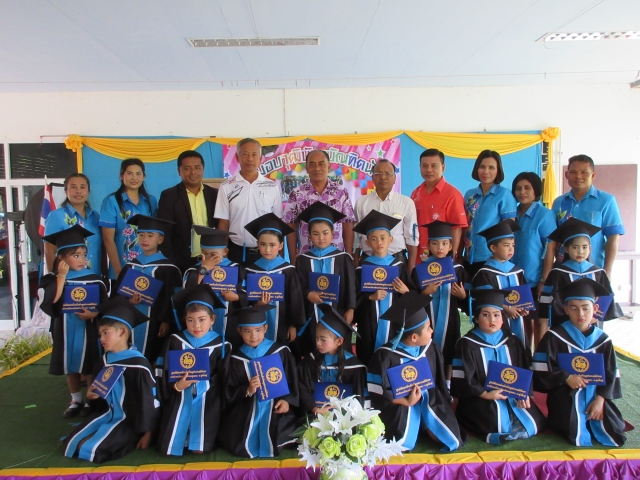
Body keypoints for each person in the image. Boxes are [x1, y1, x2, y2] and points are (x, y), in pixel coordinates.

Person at [64, 297, 159, 463]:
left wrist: (148, 433)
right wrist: (92, 397)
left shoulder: (139, 365)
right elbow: (101, 398)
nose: (101, 338)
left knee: (92, 448)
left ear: (122, 332)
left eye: (106, 333)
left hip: (130, 421)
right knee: (74, 443)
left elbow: (149, 402)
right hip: (107, 414)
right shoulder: (104, 361)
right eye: (100, 334)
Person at [532, 278, 627, 447]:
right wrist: (565, 377)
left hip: (596, 393)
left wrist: (600, 400)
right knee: (572, 425)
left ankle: (597, 407)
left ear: (595, 309)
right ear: (565, 309)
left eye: (585, 308)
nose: (580, 314)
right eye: (574, 308)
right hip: (564, 394)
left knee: (613, 428)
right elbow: (540, 369)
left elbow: (611, 373)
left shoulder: (603, 340)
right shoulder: (554, 337)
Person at [367, 293, 464, 452]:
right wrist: (406, 401)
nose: (432, 331)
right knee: (401, 443)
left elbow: (439, 381)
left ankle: (425, 423)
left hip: (429, 400)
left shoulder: (430, 348)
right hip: (400, 405)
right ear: (414, 337)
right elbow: (377, 392)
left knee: (446, 438)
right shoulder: (385, 356)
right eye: (428, 328)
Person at [451, 290, 545, 445]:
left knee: (534, 422)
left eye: (496, 315)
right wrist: (486, 394)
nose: (492, 320)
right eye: (485, 315)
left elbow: (523, 370)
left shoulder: (512, 341)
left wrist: (524, 393)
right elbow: (463, 379)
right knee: (495, 425)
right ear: (476, 318)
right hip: (480, 397)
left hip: (512, 395)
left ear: (503, 318)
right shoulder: (466, 344)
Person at [40, 225, 108, 417]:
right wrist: (61, 276)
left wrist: (94, 314)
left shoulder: (94, 279)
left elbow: (104, 304)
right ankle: (75, 399)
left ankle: (90, 399)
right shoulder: (53, 279)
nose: (82, 259)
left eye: (84, 255)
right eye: (76, 255)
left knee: (89, 364)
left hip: (88, 328)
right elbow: (52, 302)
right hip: (65, 328)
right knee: (70, 365)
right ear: (61, 258)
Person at [156, 285, 231, 456]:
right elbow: (163, 370)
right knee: (169, 450)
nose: (196, 325)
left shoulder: (222, 345)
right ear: (184, 319)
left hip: (208, 398)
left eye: (202, 319)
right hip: (178, 395)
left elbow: (224, 378)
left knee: (199, 450)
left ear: (212, 319)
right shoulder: (175, 340)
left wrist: (205, 384)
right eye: (190, 320)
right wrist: (177, 386)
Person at [219, 305, 299, 458]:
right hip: (248, 407)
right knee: (235, 435)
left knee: (283, 431)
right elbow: (229, 391)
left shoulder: (280, 352)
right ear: (239, 331)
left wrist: (287, 400)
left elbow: (292, 381)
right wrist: (247, 389)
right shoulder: (236, 359)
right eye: (247, 331)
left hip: (275, 406)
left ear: (265, 328)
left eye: (257, 330)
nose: (253, 336)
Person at [113, 215, 181, 361]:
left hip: (156, 321)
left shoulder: (169, 269)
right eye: (141, 235)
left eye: (150, 236)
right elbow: (118, 294)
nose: (145, 239)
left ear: (160, 239)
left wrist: (166, 320)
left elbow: (170, 297)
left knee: (153, 352)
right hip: (131, 320)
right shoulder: (131, 266)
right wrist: (128, 302)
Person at [353, 210, 415, 366]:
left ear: (391, 240)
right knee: (367, 356)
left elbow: (412, 296)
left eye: (383, 238)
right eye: (373, 239)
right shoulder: (362, 268)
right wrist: (370, 297)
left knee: (392, 359)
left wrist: (405, 291)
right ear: (367, 243)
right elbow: (354, 296)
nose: (379, 242)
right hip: (369, 322)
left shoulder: (399, 266)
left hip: (394, 323)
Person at [294, 202, 356, 357]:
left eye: (325, 233)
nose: (321, 238)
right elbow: (298, 285)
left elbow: (350, 285)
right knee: (313, 347)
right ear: (309, 235)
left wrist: (350, 308)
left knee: (338, 346)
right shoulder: (303, 260)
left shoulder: (343, 258)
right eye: (315, 233)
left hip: (338, 310)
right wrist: (308, 294)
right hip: (311, 313)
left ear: (333, 233)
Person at [547, 154, 625, 277]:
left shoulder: (606, 201)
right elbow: (552, 240)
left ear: (593, 175)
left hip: (593, 271)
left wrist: (607, 271)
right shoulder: (559, 202)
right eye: (573, 172)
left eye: (584, 172)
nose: (578, 176)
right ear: (566, 175)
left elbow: (613, 238)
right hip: (563, 271)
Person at [410, 221, 468, 380]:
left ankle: (447, 382)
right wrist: (425, 293)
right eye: (435, 243)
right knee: (425, 349)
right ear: (428, 245)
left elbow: (468, 299)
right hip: (427, 319)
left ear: (450, 246)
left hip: (451, 319)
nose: (439, 247)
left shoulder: (458, 270)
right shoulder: (420, 270)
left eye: (444, 243)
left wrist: (463, 295)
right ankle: (427, 380)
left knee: (450, 348)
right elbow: (412, 298)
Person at [538, 218, 619, 330]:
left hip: (592, 323)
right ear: (566, 249)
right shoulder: (557, 273)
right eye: (575, 247)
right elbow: (546, 302)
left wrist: (594, 316)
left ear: (590, 249)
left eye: (584, 247)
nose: (580, 251)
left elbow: (606, 297)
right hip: (564, 325)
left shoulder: (598, 272)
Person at [215, 138, 283, 266]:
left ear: (260, 158)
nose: (250, 159)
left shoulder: (271, 186)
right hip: (236, 252)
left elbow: (277, 222)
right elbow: (223, 222)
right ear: (237, 157)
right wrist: (223, 254)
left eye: (254, 154)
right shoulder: (226, 186)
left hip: (265, 253)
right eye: (245, 154)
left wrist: (280, 256)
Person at [244, 213, 306, 348]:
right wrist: (257, 305)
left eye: (272, 245)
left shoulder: (288, 271)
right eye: (263, 244)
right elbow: (244, 300)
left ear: (281, 245)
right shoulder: (251, 271)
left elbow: (295, 300)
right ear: (257, 244)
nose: (267, 249)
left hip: (283, 325)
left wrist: (293, 325)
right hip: (256, 326)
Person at [283, 149, 356, 263]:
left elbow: (348, 224)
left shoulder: (341, 192)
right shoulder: (297, 193)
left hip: (336, 257)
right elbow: (291, 226)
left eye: (321, 164)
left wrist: (349, 256)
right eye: (312, 164)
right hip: (306, 257)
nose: (317, 168)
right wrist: (293, 260)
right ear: (307, 168)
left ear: (329, 167)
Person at [511, 172, 556, 348]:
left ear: (536, 190)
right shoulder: (512, 213)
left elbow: (550, 249)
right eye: (518, 188)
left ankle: (540, 359)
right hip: (515, 279)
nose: (522, 192)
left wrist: (544, 280)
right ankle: (525, 357)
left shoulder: (545, 215)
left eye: (527, 188)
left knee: (539, 321)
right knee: (522, 321)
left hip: (536, 279)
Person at [297, 304, 366, 419]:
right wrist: (314, 409)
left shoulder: (354, 366)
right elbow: (302, 387)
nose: (318, 343)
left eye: (323, 339)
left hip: (345, 418)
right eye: (316, 337)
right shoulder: (310, 361)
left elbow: (359, 398)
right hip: (315, 414)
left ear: (339, 342)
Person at [182, 225, 246, 349]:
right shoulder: (195, 270)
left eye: (214, 255)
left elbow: (247, 295)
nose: (209, 258)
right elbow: (187, 291)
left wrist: (236, 297)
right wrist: (204, 269)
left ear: (225, 252)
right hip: (200, 322)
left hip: (229, 320)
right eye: (205, 254)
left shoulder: (237, 269)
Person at [158, 150, 218, 273]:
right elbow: (165, 233)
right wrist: (172, 265)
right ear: (179, 171)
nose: (193, 172)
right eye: (187, 168)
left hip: (211, 260)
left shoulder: (214, 194)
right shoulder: (169, 196)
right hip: (182, 262)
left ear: (203, 169)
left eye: (197, 167)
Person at [471, 219, 528, 346]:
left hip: (518, 320)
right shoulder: (485, 273)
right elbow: (486, 298)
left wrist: (525, 308)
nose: (511, 249)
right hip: (497, 320)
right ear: (493, 248)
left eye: (513, 245)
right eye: (506, 245)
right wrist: (507, 308)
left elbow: (524, 296)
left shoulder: (517, 271)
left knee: (520, 344)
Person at [355, 159, 418, 271]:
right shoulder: (361, 203)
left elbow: (411, 238)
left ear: (395, 178)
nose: (383, 177)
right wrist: (355, 262)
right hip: (368, 260)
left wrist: (411, 268)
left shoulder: (406, 203)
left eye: (388, 174)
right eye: (378, 173)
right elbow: (356, 237)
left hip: (397, 260)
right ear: (372, 177)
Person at [100, 158, 158, 280]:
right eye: (130, 173)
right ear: (122, 176)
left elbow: (155, 235)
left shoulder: (151, 201)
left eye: (138, 174)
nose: (134, 178)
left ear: (144, 176)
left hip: (147, 269)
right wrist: (118, 271)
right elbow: (108, 239)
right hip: (121, 268)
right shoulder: (112, 201)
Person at [462, 150, 517, 278]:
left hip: (492, 258)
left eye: (491, 167)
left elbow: (508, 231)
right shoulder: (470, 195)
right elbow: (464, 225)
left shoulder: (504, 195)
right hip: (469, 257)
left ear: (498, 170)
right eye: (482, 167)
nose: (486, 171)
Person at [410, 149, 467, 263]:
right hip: (418, 259)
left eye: (434, 166)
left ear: (443, 167)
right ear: (420, 167)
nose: (429, 170)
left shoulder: (452, 195)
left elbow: (457, 229)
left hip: (442, 259)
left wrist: (452, 258)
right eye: (425, 166)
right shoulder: (416, 193)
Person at [44, 173, 102, 277]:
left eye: (82, 187)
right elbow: (49, 250)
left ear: (88, 191)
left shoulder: (95, 217)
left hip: (94, 277)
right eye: (73, 187)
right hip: (68, 279)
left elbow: (101, 249)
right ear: (66, 191)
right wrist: (55, 278)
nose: (78, 191)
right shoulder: (56, 216)